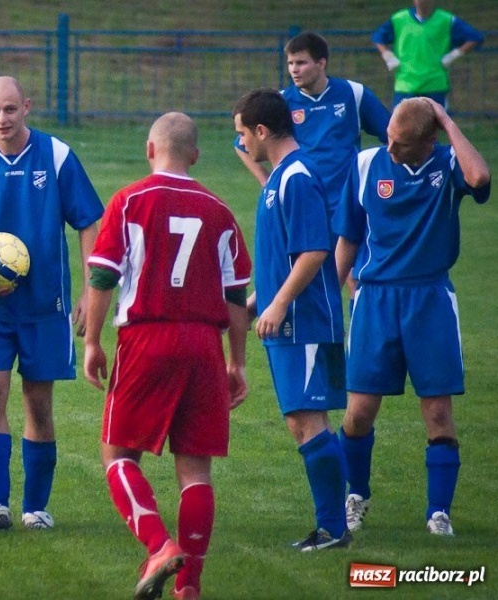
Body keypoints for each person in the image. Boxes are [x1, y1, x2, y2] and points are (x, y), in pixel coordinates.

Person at [83, 112, 251, 600]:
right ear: (195, 156)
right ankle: (189, 586)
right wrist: (236, 362)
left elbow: (102, 277)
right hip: (204, 344)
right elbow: (236, 295)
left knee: (117, 454)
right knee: (196, 471)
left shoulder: (130, 200)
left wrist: (93, 341)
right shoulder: (219, 209)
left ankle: (158, 545)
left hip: (147, 339)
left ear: (150, 150)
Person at [0, 75, 104, 532]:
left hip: (44, 305)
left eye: (10, 109)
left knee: (38, 403)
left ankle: (35, 508)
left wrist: (91, 289)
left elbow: (89, 223)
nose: (2, 119)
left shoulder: (55, 156)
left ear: (26, 107)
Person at [333, 97, 490, 536]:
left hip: (431, 300)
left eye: (401, 144)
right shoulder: (366, 165)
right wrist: (329, 294)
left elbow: (480, 176)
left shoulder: (449, 164)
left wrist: (444, 117)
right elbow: (349, 236)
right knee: (359, 412)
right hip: (376, 299)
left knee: (438, 413)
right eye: (389, 139)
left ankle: (438, 513)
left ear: (430, 140)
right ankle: (356, 495)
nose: (390, 150)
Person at [232, 88, 350, 551]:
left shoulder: (296, 177)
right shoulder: (281, 177)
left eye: (243, 134)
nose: (242, 144)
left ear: (262, 131)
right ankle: (337, 520)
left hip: (303, 322)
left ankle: (334, 529)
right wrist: (259, 302)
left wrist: (279, 305)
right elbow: (285, 254)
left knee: (306, 421)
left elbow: (315, 250)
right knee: (303, 421)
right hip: (288, 317)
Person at [235, 31, 390, 221]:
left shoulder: (353, 93)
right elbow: (242, 142)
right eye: (290, 63)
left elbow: (392, 134)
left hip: (346, 203)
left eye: (301, 63)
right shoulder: (281, 102)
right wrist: (265, 180)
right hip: (303, 200)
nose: (294, 69)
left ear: (321, 63)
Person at [372, 0, 484, 108]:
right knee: (403, 126)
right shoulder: (399, 19)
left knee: (435, 125)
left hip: (435, 85)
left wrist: (454, 54)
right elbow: (378, 37)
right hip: (406, 85)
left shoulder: (446, 20)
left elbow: (474, 38)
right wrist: (387, 55)